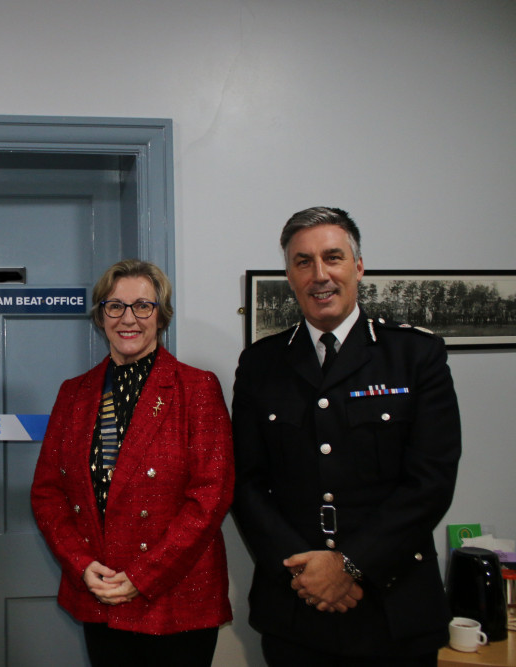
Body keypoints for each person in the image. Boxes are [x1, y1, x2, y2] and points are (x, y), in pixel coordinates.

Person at [231, 207, 462, 666]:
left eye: (332, 258)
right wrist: (306, 573)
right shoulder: (261, 364)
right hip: (296, 608)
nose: (320, 275)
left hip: (392, 608)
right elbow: (246, 482)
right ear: (289, 275)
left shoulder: (415, 355)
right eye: (303, 262)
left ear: (357, 266)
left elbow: (430, 481)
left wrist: (350, 565)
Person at [31, 259, 234, 667]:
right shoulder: (74, 394)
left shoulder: (196, 387)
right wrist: (81, 565)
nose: (128, 318)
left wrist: (143, 578)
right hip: (100, 592)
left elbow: (211, 497)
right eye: (115, 306)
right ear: (100, 315)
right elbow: (47, 492)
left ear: (161, 316)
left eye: (143, 306)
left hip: (175, 598)